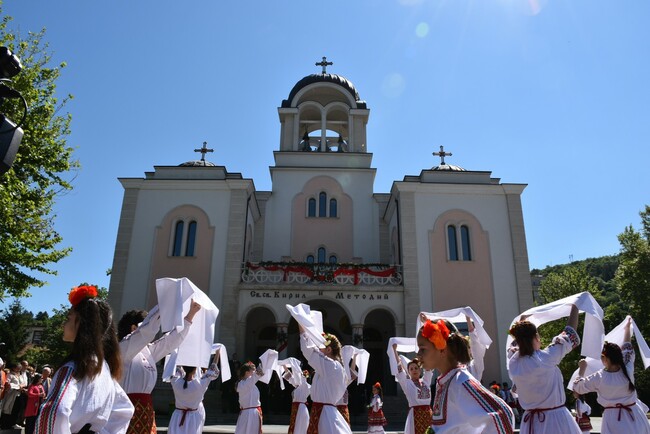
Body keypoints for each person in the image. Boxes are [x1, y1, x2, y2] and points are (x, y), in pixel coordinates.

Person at [35, 284, 134, 433]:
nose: (64, 324)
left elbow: (55, 413)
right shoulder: (104, 369)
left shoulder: (73, 369)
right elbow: (124, 409)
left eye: (68, 318)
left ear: (80, 322)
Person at [416, 315, 514, 433]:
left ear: (442, 349)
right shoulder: (446, 381)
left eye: (423, 349)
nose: (418, 354)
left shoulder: (460, 382)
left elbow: (502, 415)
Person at [118, 300, 201, 434]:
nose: (152, 333)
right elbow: (147, 330)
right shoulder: (122, 350)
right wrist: (165, 305)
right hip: (125, 411)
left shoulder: (147, 351)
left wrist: (190, 316)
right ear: (134, 328)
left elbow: (169, 342)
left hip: (146, 412)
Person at [507, 304, 581, 434]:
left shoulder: (514, 362)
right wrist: (575, 306)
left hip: (530, 423)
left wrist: (522, 321)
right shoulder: (546, 358)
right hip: (556, 420)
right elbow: (569, 334)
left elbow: (516, 345)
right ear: (536, 337)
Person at [572, 318, 650, 434]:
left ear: (606, 359)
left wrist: (582, 368)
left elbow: (577, 389)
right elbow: (627, 347)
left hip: (612, 420)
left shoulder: (599, 377)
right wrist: (627, 328)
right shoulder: (627, 368)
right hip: (634, 416)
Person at [298, 325, 352, 434]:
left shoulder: (331, 366)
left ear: (329, 349)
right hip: (325, 412)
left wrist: (301, 324)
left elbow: (308, 351)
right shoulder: (333, 367)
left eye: (321, 347)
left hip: (324, 415)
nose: (318, 349)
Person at [168, 356, 220, 434]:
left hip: (177, 416)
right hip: (193, 418)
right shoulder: (199, 384)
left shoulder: (175, 381)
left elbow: (176, 369)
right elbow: (212, 372)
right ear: (195, 370)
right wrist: (217, 354)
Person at [391, 344, 432, 434]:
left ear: (420, 370)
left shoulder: (425, 381)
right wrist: (395, 351)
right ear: (408, 372)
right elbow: (400, 369)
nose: (414, 370)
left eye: (416, 368)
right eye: (411, 369)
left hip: (428, 415)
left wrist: (423, 353)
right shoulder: (407, 384)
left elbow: (428, 368)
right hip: (415, 416)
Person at [234, 361, 264, 434]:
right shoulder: (244, 383)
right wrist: (264, 360)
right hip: (250, 414)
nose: (254, 372)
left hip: (250, 413)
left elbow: (257, 375)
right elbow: (257, 375)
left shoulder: (250, 383)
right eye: (253, 370)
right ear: (247, 373)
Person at [284, 368, 310, 434]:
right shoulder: (298, 385)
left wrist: (303, 374)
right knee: (296, 425)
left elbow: (303, 380)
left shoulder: (306, 386)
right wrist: (284, 366)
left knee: (299, 426)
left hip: (300, 409)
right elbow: (290, 377)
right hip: (297, 408)